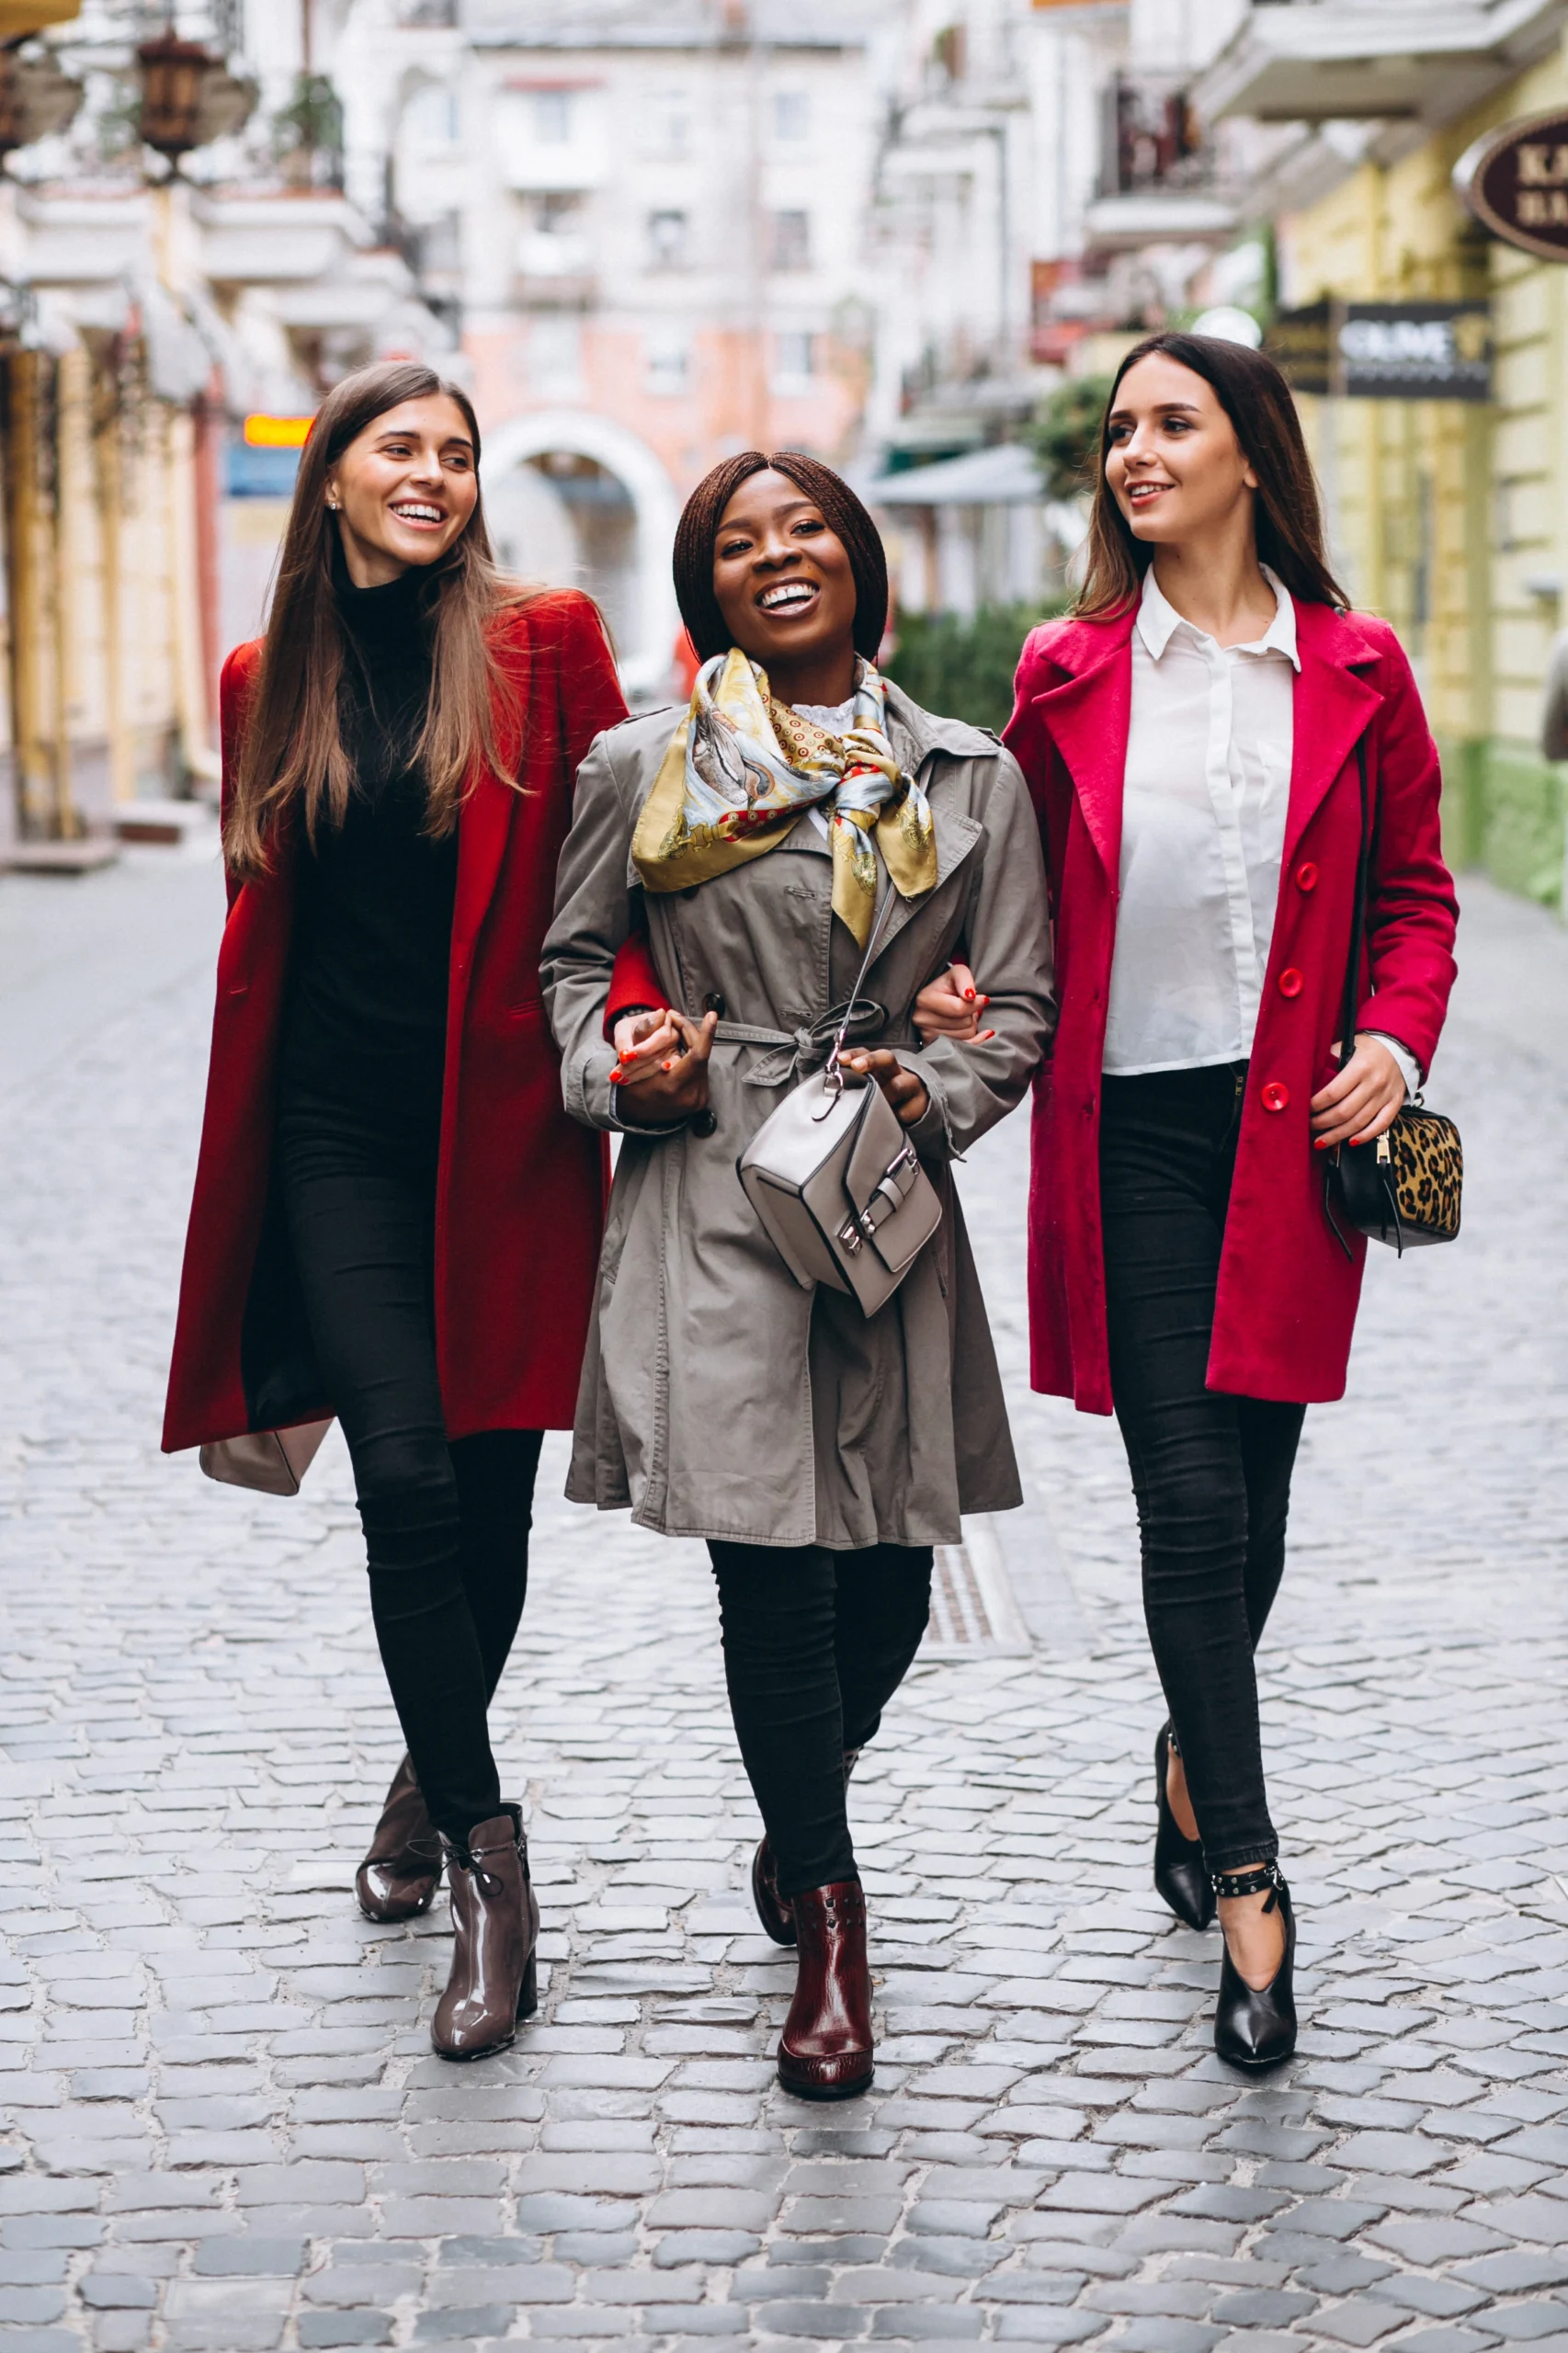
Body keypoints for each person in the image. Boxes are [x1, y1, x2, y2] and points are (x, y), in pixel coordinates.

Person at [920, 334, 1458, 2068]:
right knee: (1189, 1512)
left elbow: (1416, 898)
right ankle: (1246, 1876)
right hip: (1135, 1128)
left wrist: (1394, 1030)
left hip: (1295, 1137)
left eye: (1170, 424)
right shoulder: (1069, 667)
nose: (1131, 452)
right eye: (1117, 429)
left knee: (1262, 1507)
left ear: (1250, 456)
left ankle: (1179, 1755)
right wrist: (961, 994)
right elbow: (1001, 889)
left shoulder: (1358, 667)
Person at [542, 451, 1054, 2099]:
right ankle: (831, 1927)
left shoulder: (966, 775)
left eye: (804, 530)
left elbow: (1022, 1005)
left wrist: (939, 1083)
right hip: (709, 1177)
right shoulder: (641, 766)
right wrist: (621, 1065)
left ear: (855, 561)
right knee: (768, 1557)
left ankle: (796, 1807)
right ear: (709, 590)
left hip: (878, 1170)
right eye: (738, 544)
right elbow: (566, 967)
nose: (778, 557)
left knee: (893, 1571)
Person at [162, 361, 629, 2060]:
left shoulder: (543, 642)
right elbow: (262, 904)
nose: (430, 473)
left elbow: (621, 866)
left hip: (502, 1129)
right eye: (397, 449)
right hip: (333, 1136)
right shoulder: (256, 677)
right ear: (335, 481)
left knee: (488, 1506)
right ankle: (493, 1869)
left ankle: (423, 1778)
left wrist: (635, 1034)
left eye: (455, 453)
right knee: (410, 1478)